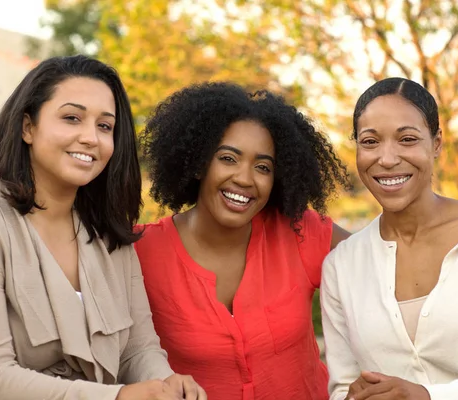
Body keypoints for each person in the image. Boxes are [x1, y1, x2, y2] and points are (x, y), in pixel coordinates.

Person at [0, 55, 205, 400]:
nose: (91, 138)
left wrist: (167, 383)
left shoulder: (110, 235)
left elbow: (138, 349)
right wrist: (119, 397)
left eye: (104, 126)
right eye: (72, 118)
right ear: (28, 127)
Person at [321, 77, 458, 400]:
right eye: (370, 142)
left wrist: (427, 396)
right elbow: (343, 387)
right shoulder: (341, 266)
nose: (386, 158)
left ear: (436, 142)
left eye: (407, 139)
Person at [134, 82, 351, 399]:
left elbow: (382, 260)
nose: (245, 179)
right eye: (227, 158)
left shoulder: (299, 232)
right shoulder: (142, 252)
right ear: (197, 164)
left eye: (263, 167)